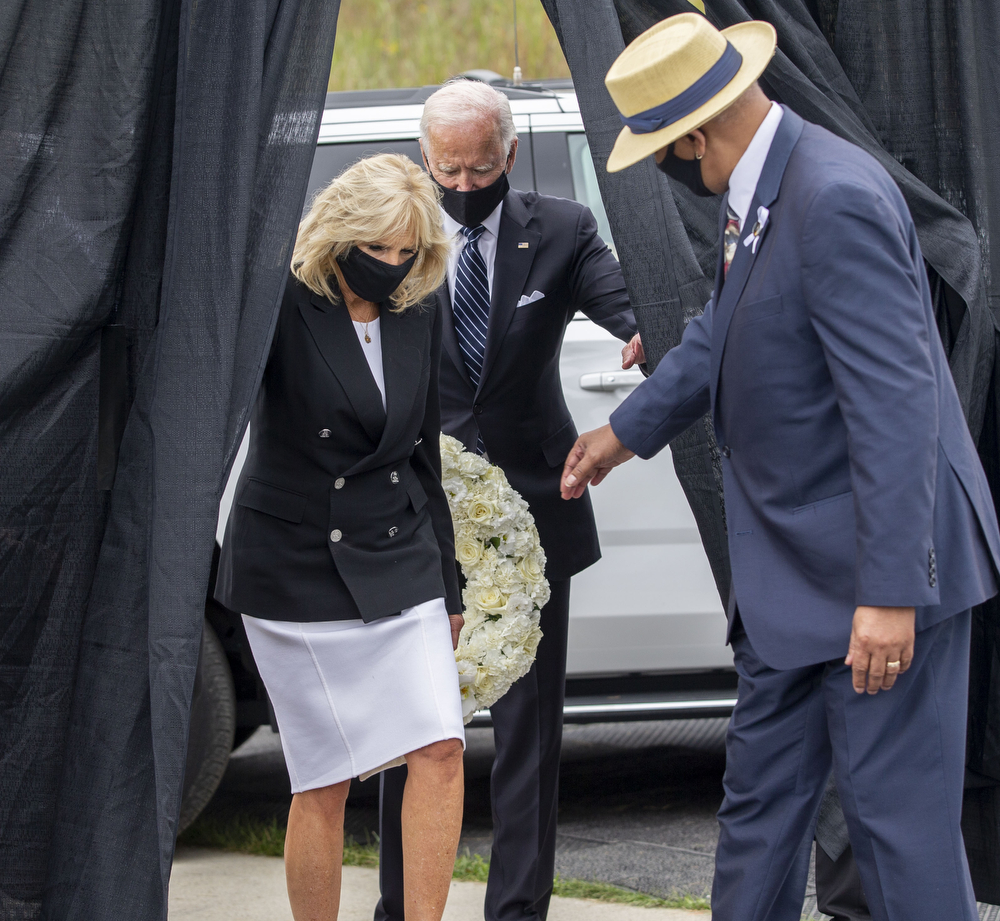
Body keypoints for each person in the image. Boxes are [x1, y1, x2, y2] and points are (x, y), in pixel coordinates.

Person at [560, 13, 1000, 921]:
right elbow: (722, 331)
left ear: (691, 136)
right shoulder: (760, 187)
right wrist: (623, 433)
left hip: (875, 582)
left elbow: (896, 410)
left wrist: (888, 594)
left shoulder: (834, 194)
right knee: (759, 813)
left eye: (660, 151)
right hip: (790, 586)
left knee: (895, 832)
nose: (663, 168)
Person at [375, 79, 642, 921]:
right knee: (410, 729)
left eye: (480, 168)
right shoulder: (394, 234)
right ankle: (402, 905)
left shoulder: (561, 228)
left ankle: (518, 910)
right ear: (426, 158)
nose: (462, 185)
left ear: (510, 155)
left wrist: (649, 335)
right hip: (418, 514)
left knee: (530, 734)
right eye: (447, 169)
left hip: (535, 506)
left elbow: (628, 307)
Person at [214, 153, 466, 921]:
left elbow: (424, 450)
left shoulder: (420, 305)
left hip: (400, 553)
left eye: (406, 250)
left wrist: (449, 584)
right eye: (378, 247)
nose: (391, 265)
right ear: (341, 234)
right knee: (322, 780)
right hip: (295, 566)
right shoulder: (281, 300)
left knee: (441, 748)